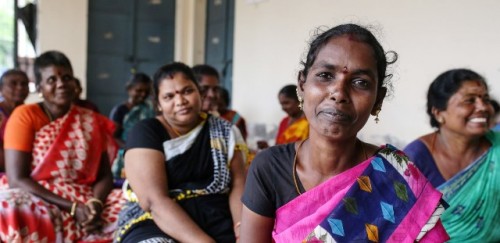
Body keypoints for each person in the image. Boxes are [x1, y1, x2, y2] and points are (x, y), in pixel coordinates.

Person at [240, 24, 449, 243]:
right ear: (302, 84)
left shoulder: (396, 176)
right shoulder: (269, 167)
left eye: (360, 82)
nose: (339, 93)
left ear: (378, 98)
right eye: (324, 75)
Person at [114, 62, 247, 242]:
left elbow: (238, 185)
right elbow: (154, 201)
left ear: (199, 93)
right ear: (159, 104)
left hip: (216, 217)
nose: (180, 101)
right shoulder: (147, 131)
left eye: (187, 91)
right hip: (156, 221)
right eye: (169, 96)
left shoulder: (225, 131)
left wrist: (241, 230)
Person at [0, 50, 123, 242]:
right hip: (38, 195)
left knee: (134, 205)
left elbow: (104, 175)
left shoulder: (90, 120)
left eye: (67, 78)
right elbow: (17, 178)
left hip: (86, 197)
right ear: (40, 86)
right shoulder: (25, 115)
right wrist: (73, 207)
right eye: (51, 80)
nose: (61, 84)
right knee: (8, 207)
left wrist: (95, 205)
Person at [403, 69, 499, 242]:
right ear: (439, 113)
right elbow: (399, 229)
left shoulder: (497, 149)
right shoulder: (414, 159)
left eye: (485, 99)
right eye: (469, 101)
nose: (483, 107)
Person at [109, 72, 155, 183]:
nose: (143, 94)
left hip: (148, 153)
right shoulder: (121, 110)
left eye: (146, 91)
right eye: (139, 91)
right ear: (129, 89)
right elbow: (112, 136)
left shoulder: (150, 108)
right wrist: (130, 148)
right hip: (126, 154)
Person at [257, 84, 309, 150]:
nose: (283, 108)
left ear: (299, 100)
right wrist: (267, 147)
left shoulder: (310, 123)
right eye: (281, 104)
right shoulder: (284, 121)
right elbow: (278, 148)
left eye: (286, 103)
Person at [0, 69, 30, 172]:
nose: (20, 87)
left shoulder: (31, 114)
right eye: (13, 84)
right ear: (1, 88)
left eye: (24, 84)